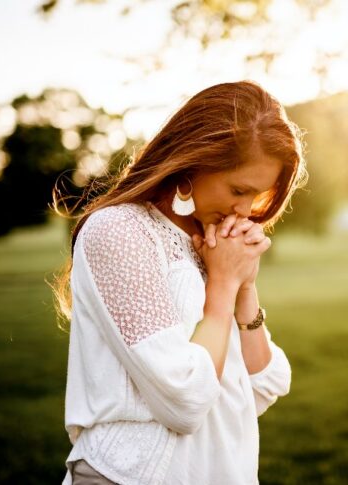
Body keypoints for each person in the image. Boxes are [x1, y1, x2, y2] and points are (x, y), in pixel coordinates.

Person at [51, 80, 308, 484]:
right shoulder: (120, 232)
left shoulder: (211, 242)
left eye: (256, 196)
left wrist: (244, 286)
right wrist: (221, 287)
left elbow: (264, 384)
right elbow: (185, 400)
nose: (245, 211)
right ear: (193, 162)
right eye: (238, 190)